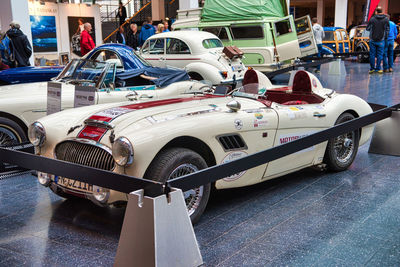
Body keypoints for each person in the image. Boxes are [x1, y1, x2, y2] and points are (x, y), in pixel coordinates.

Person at [367, 7, 389, 74]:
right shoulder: (386, 19)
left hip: (373, 40)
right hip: (381, 40)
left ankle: (372, 69)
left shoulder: (372, 19)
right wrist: (385, 38)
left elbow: (368, 28)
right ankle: (378, 69)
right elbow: (387, 30)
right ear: (381, 11)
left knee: (372, 55)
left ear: (376, 11)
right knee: (380, 55)